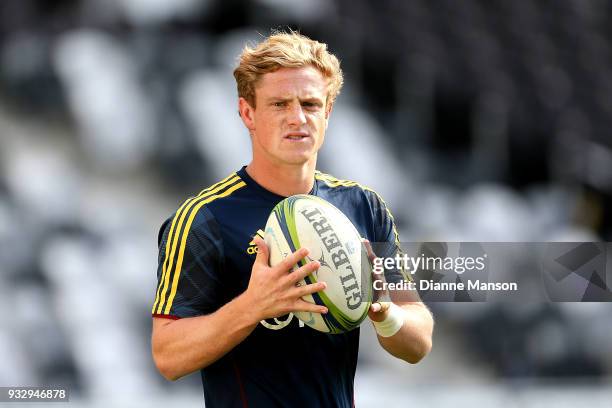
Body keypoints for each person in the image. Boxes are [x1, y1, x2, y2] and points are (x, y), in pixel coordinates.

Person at [151, 31, 434, 407]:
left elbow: (419, 342)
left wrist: (384, 313)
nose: (297, 118)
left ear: (328, 113)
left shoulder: (363, 206)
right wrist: (255, 305)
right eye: (280, 104)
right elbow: (168, 356)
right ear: (248, 113)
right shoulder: (204, 218)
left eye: (311, 104)